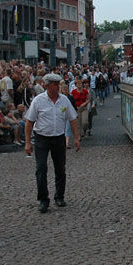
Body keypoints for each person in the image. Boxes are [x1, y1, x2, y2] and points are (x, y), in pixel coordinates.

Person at [24, 73, 79, 212]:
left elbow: (72, 119)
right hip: (42, 138)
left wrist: (76, 138)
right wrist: (27, 142)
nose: (57, 87)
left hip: (58, 138)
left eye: (58, 84)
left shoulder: (64, 100)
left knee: (60, 169)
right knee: (41, 169)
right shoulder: (38, 101)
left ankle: (59, 196)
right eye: (55, 85)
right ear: (47, 86)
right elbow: (29, 122)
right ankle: (43, 199)